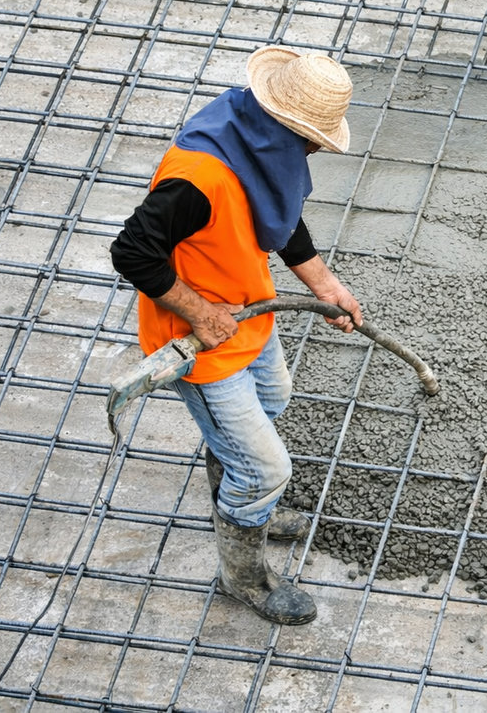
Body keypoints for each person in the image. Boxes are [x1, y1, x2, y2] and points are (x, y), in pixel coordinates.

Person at [110, 46, 363, 625]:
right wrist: (198, 313)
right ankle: (243, 578)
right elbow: (132, 252)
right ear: (286, 123)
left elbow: (279, 215)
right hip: (199, 344)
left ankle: (246, 502)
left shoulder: (250, 142)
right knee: (266, 468)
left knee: (274, 400)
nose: (319, 147)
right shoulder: (199, 177)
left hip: (246, 313)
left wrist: (325, 285)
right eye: (314, 138)